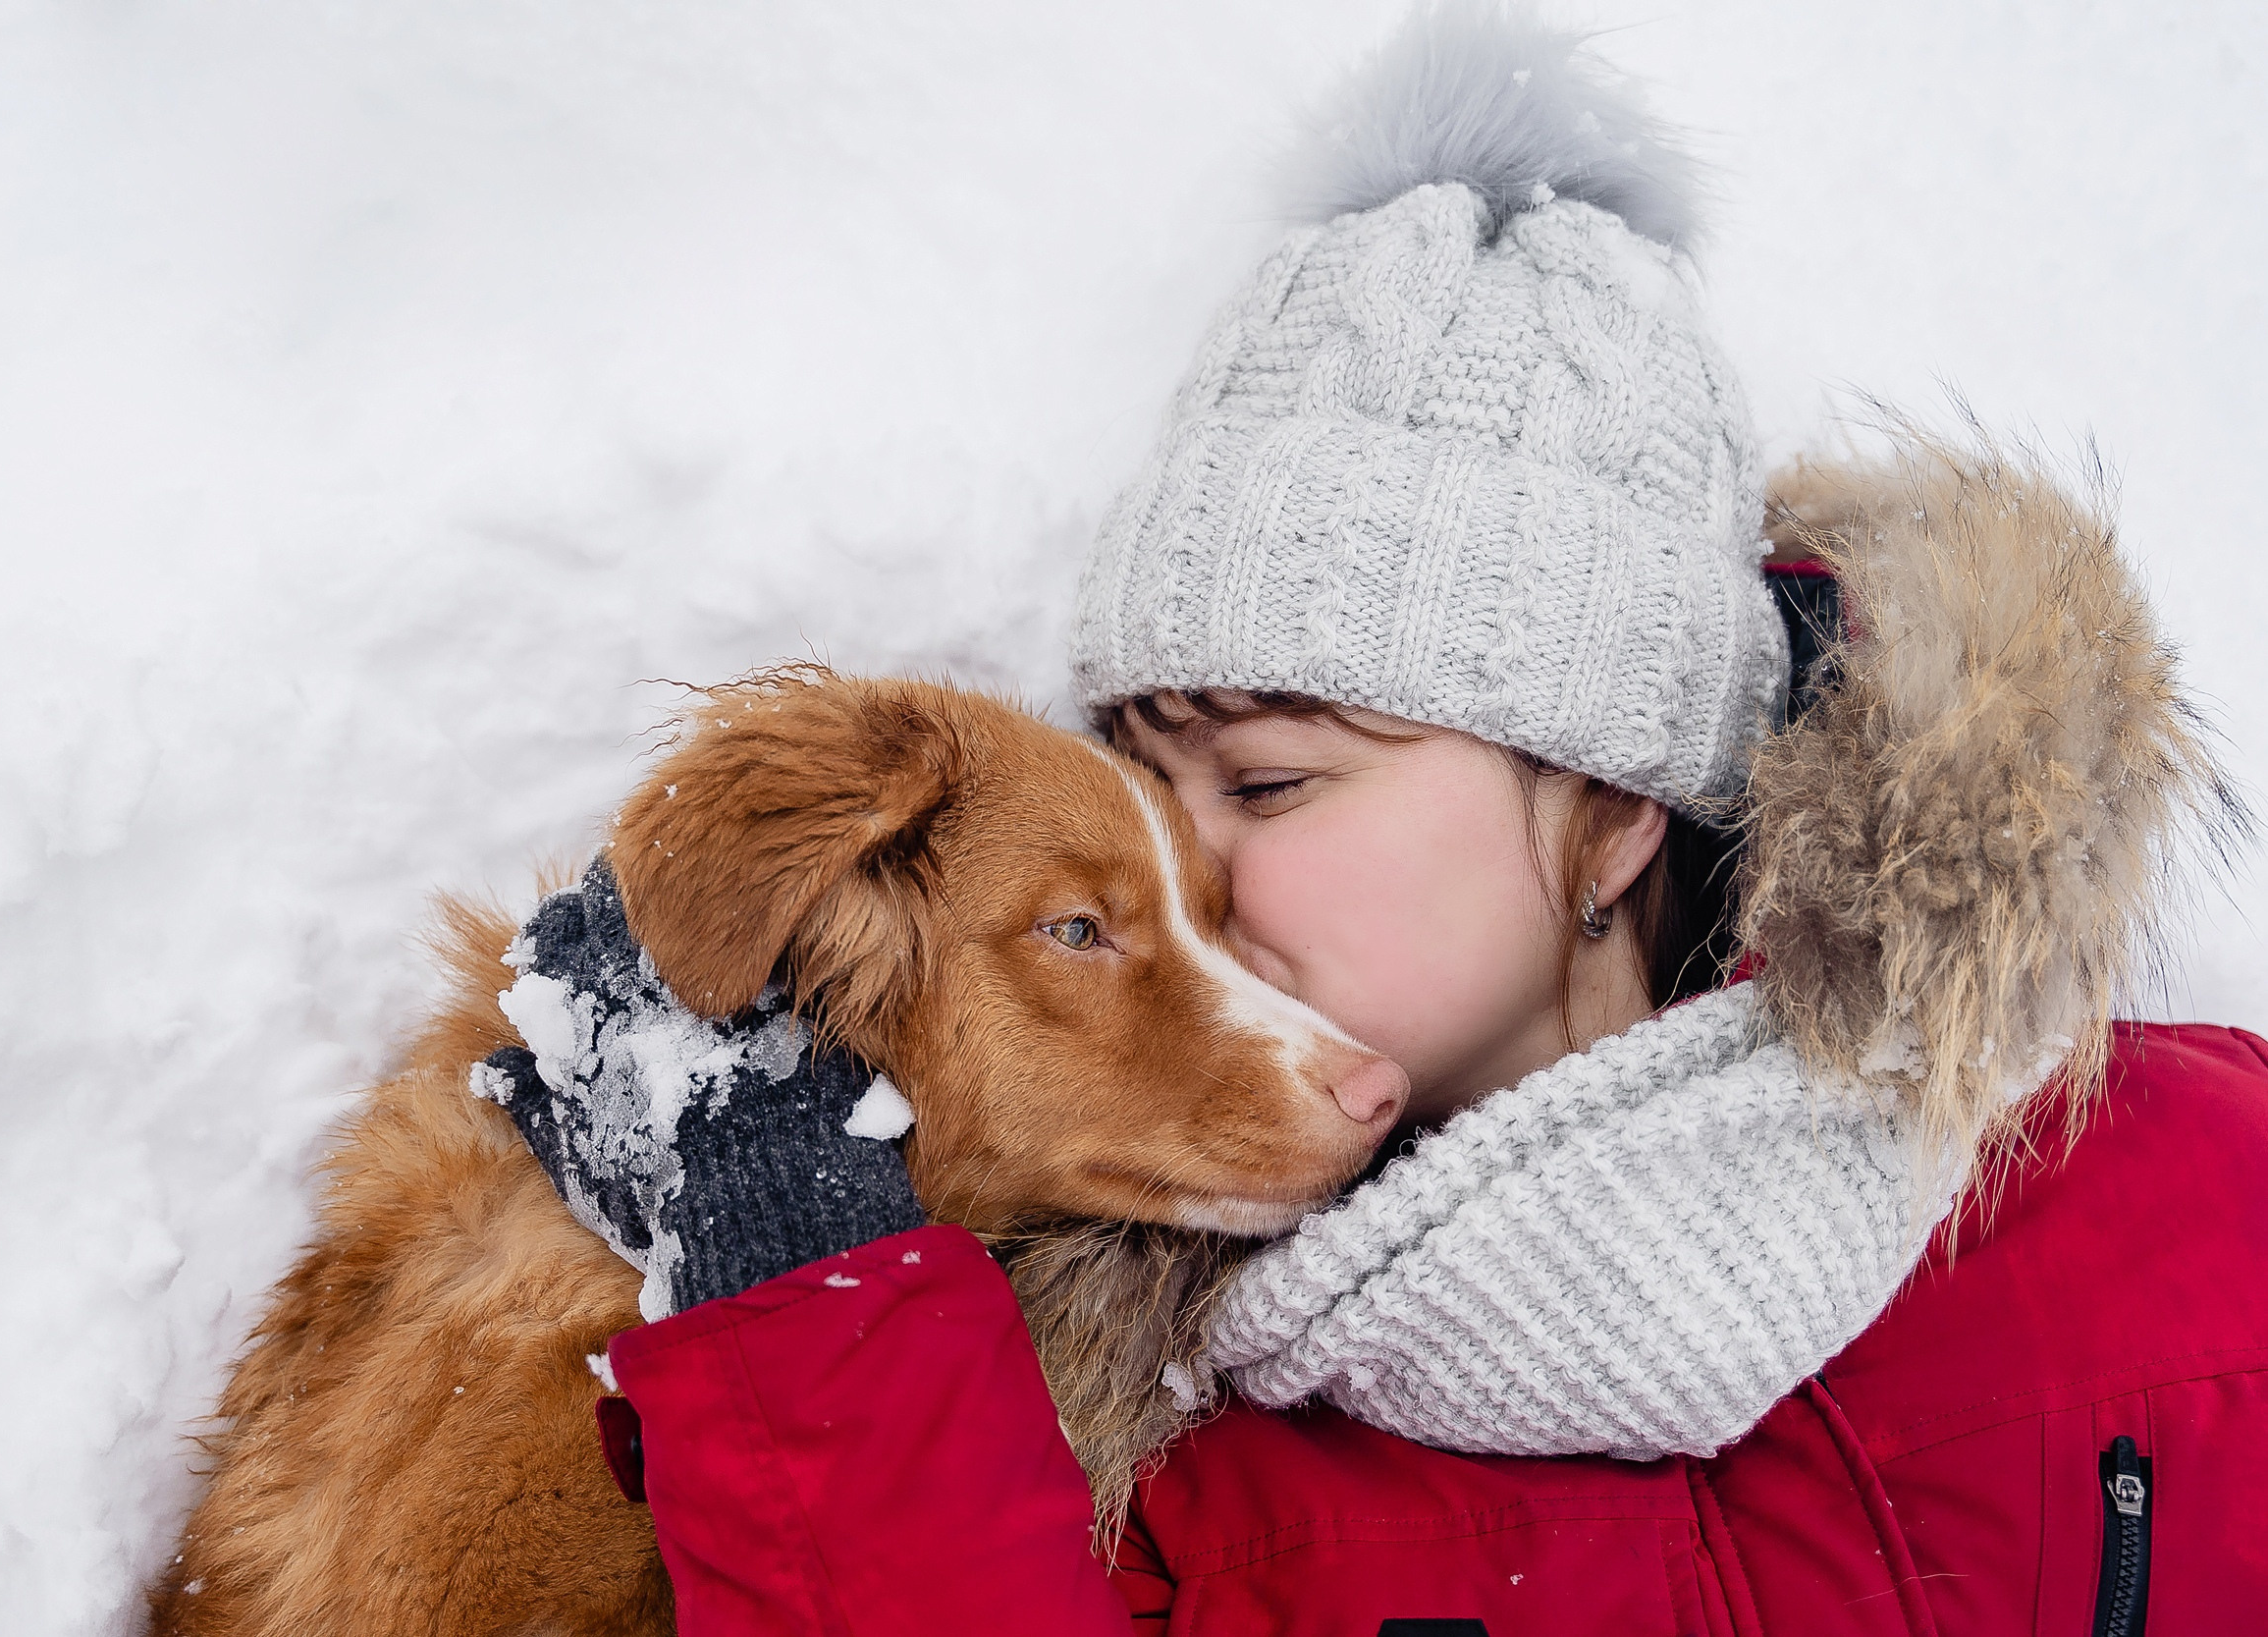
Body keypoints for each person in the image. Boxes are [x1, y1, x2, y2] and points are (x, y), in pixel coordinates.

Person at [490, 7, 2268, 1631]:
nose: (1202, 875)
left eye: (1270, 781)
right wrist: (823, 1335)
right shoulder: (1100, 1436)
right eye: (1146, 795)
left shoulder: (2194, 1197)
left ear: (1616, 805)